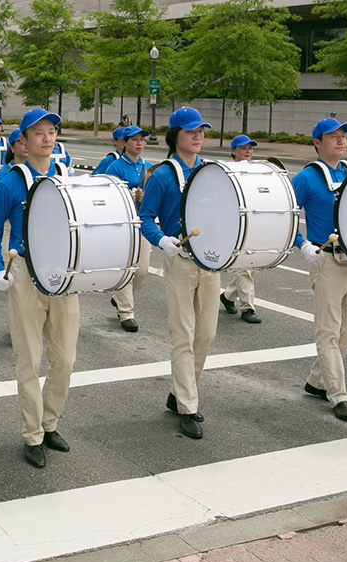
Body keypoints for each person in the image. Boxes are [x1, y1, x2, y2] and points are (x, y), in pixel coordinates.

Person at [0, 108, 78, 468]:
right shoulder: (10, 182)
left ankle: (50, 423)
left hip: (62, 273)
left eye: (51, 131)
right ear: (23, 140)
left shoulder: (65, 176)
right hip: (25, 271)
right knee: (29, 360)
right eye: (39, 132)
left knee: (65, 359)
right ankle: (33, 434)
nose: (47, 138)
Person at [138, 108, 218, 440]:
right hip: (180, 260)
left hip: (210, 261)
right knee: (183, 334)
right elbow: (145, 217)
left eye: (201, 130)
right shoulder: (161, 175)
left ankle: (179, 392)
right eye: (190, 131)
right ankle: (187, 406)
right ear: (175, 137)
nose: (197, 136)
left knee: (206, 335)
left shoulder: (211, 172)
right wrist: (161, 240)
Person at [291, 117, 347, 422]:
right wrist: (302, 244)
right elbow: (285, 215)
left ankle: (317, 380)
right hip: (327, 260)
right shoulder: (306, 177)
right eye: (333, 136)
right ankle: (338, 394)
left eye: (343, 135)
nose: (341, 140)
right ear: (317, 143)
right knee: (329, 331)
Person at [104, 126, 152, 332]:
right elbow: (108, 195)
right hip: (123, 224)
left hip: (143, 222)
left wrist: (145, 197)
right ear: (125, 143)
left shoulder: (147, 166)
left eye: (142, 140)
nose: (139, 143)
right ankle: (126, 312)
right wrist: (127, 195)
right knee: (128, 268)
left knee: (141, 270)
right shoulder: (115, 167)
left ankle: (118, 298)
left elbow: (154, 195)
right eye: (135, 140)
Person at [219, 135, 263, 324]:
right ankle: (248, 308)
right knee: (244, 268)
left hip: (253, 223)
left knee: (253, 266)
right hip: (235, 225)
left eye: (250, 148)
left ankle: (228, 296)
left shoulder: (255, 172)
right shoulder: (227, 172)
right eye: (243, 148)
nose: (248, 151)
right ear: (233, 151)